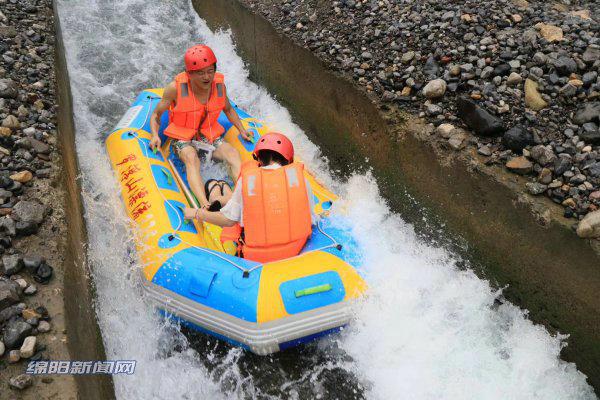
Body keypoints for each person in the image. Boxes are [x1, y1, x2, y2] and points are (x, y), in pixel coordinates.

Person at [184, 132, 317, 263]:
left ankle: (216, 193)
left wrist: (197, 213)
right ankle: (220, 193)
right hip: (295, 251)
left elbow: (228, 220)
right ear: (288, 159)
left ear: (259, 159)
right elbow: (311, 218)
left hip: (256, 260)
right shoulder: (301, 180)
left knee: (229, 210)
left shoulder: (248, 182)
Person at [149, 44, 253, 208]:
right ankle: (205, 206)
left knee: (232, 152)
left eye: (210, 71)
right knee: (191, 157)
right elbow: (156, 115)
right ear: (189, 74)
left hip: (208, 135)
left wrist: (241, 129)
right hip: (182, 139)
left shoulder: (219, 87)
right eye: (200, 73)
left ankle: (245, 197)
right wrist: (155, 135)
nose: (207, 77)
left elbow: (228, 109)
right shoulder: (175, 89)